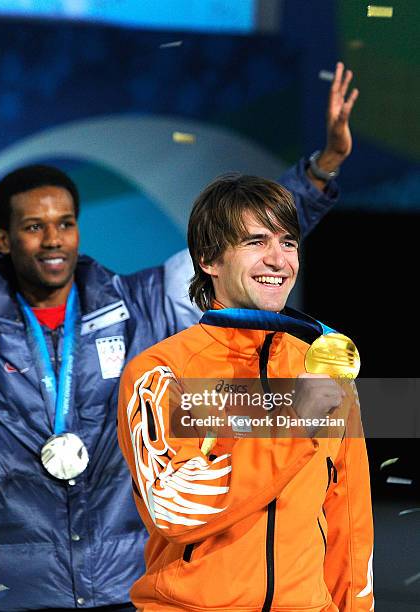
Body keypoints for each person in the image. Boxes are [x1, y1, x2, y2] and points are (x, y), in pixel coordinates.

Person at [0, 62, 357, 611]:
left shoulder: (140, 306)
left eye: (64, 223)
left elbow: (242, 247)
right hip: (9, 593)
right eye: (33, 226)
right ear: (2, 239)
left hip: (122, 587)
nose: (52, 239)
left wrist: (321, 169)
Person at [116, 174, 373, 611]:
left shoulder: (321, 369)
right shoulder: (162, 373)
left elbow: (349, 515)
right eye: (256, 242)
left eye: (288, 243)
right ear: (208, 259)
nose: (279, 259)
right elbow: (176, 507)